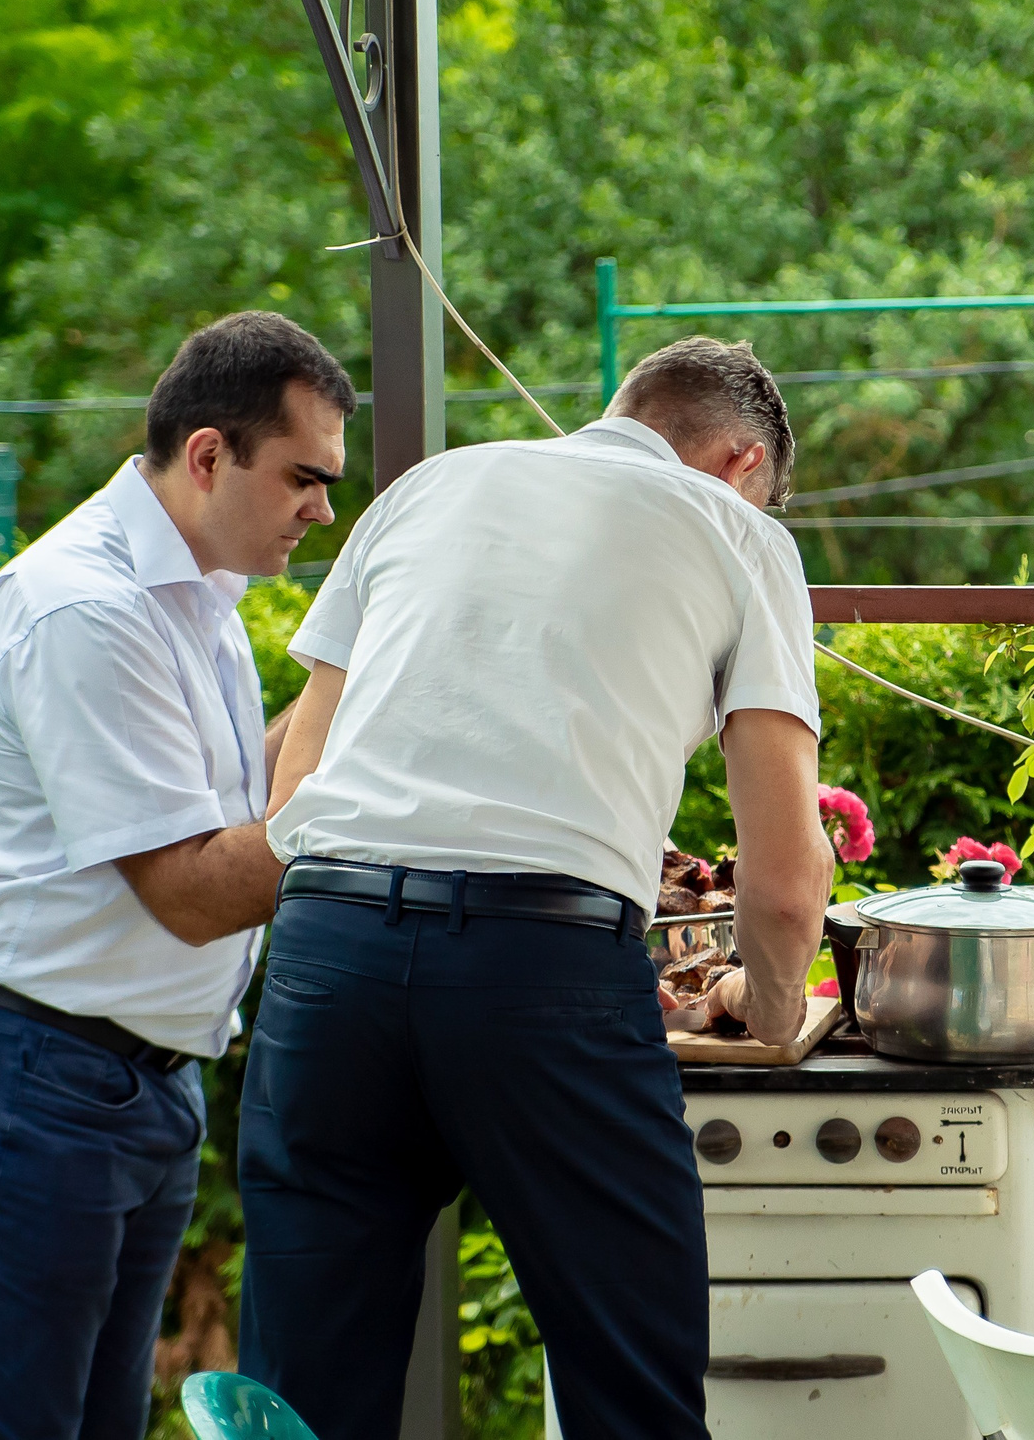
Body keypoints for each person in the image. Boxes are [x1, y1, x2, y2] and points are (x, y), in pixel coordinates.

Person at [237, 336, 834, 1440]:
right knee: (630, 1392)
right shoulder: (740, 535)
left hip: (326, 955)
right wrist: (771, 997)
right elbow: (787, 876)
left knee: (301, 1404)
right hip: (538, 975)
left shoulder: (429, 486)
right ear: (744, 461)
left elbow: (299, 783)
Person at [0, 312, 356, 1440]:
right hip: (35, 1076)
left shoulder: (195, 590)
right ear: (208, 456)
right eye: (303, 477)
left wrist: (371, 683)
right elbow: (195, 891)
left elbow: (239, 794)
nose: (324, 511)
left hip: (130, 1083)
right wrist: (368, 765)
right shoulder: (84, 609)